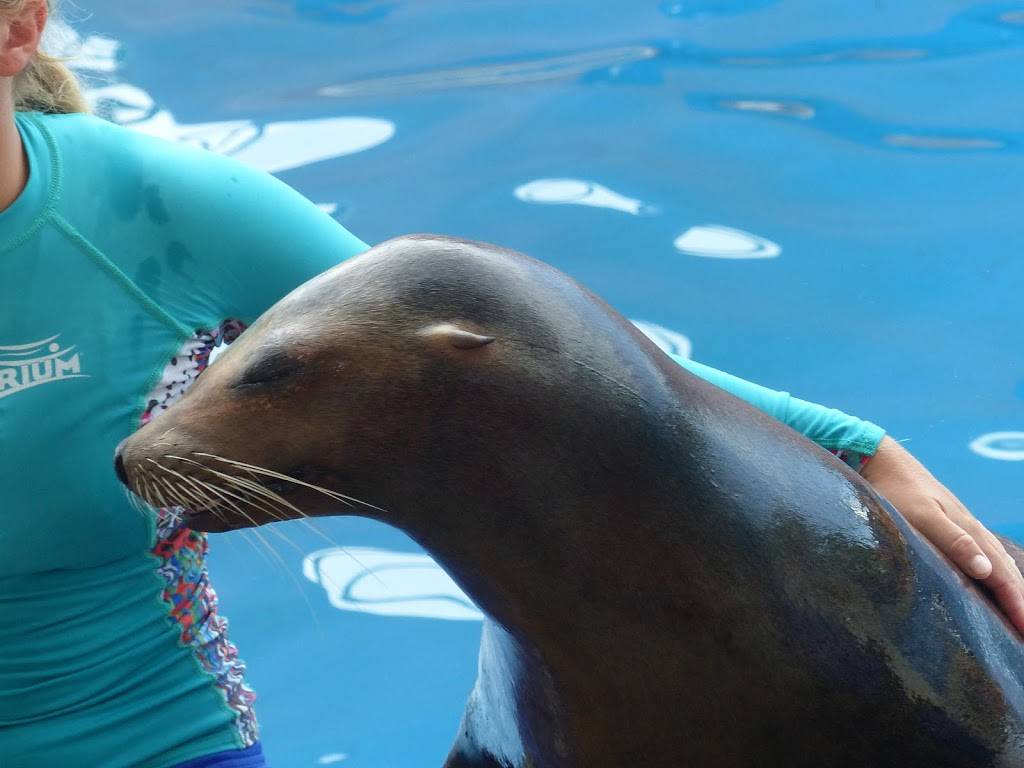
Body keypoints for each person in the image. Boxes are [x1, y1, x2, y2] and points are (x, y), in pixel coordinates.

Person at [1, 2, 1021, 767]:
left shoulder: (149, 210)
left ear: (19, 35)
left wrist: (858, 446)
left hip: (138, 737)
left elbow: (450, 331)